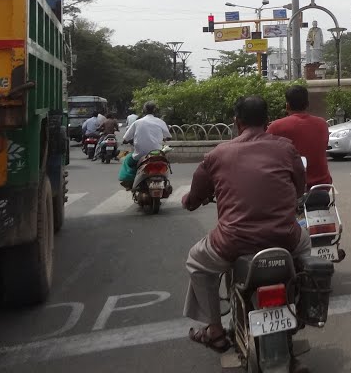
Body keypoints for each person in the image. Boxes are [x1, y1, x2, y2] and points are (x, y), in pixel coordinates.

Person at [182, 96, 307, 354]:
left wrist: (189, 201)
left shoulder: (216, 154)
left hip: (231, 243)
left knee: (196, 261)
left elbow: (194, 197)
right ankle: (304, 306)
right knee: (307, 250)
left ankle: (215, 330)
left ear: (236, 122)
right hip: (285, 238)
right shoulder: (286, 148)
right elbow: (299, 188)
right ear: (268, 121)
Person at [267, 85, 333, 188]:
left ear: (287, 105)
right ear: (307, 104)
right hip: (322, 185)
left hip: (291, 188)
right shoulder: (322, 124)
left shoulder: (275, 127)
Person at [119, 102, 171, 190]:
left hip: (140, 155)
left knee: (127, 160)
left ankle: (129, 182)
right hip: (157, 154)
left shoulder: (137, 122)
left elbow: (125, 138)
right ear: (155, 110)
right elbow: (169, 136)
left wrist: (126, 141)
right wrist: (164, 139)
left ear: (143, 110)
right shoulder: (160, 122)